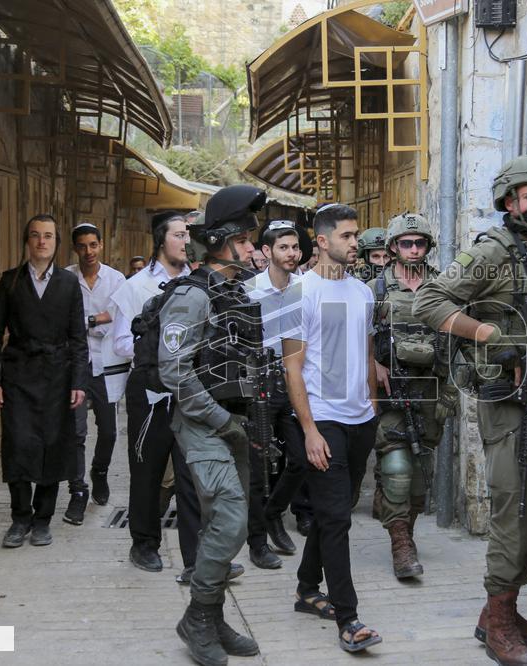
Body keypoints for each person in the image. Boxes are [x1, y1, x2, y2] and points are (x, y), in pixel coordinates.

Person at [414, 152, 527, 666]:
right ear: (508, 200)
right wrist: (488, 334)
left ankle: (505, 605)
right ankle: (498, 621)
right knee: (513, 510)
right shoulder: (491, 253)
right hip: (510, 402)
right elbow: (430, 299)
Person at [159, 185, 264, 666]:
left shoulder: (233, 292)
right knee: (228, 521)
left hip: (232, 423)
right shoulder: (192, 295)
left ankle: (212, 614)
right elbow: (174, 371)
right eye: (245, 239)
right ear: (221, 240)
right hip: (204, 424)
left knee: (228, 525)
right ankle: (198, 620)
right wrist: (223, 420)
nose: (252, 248)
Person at [280, 203, 383, 653]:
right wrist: (310, 430)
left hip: (361, 418)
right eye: (346, 235)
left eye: (356, 234)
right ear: (321, 241)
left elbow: (365, 350)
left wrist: (373, 407)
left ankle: (306, 588)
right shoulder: (298, 293)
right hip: (323, 419)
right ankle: (349, 617)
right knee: (338, 518)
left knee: (333, 510)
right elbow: (292, 367)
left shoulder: (363, 292)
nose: (354, 242)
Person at [0, 214, 88, 548]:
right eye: (35, 236)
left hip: (57, 376)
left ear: (57, 243)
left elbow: (79, 338)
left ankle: (42, 520)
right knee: (18, 445)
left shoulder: (69, 284)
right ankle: (20, 518)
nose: (42, 242)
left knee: (52, 446)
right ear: (26, 241)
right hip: (17, 376)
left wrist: (78, 382)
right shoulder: (10, 281)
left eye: (49, 236)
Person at [109, 211, 204, 576]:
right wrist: (159, 347)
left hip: (189, 388)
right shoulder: (136, 288)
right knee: (147, 471)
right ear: (160, 240)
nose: (186, 241)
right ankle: (144, 544)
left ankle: (196, 559)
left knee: (190, 473)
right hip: (149, 391)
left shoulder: (197, 284)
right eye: (179, 235)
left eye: (188, 235)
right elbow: (119, 342)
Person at [369, 213, 456, 579]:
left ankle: (407, 526)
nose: (414, 249)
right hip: (393, 391)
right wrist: (373, 364)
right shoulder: (376, 288)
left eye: (420, 243)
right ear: (393, 247)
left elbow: (457, 341)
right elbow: (358, 335)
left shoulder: (443, 286)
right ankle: (400, 544)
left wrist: (450, 393)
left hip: (430, 391)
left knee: (420, 475)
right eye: (406, 243)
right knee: (397, 469)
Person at [243, 220, 307, 569]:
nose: (292, 253)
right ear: (267, 252)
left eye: (295, 247)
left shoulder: (306, 288)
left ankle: (273, 513)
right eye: (283, 247)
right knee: (257, 471)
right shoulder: (249, 290)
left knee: (299, 459)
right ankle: (257, 543)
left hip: (294, 384)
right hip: (259, 386)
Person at [62, 223, 126, 524]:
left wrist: (84, 320)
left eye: (93, 245)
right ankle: (78, 491)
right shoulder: (65, 278)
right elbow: (62, 320)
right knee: (76, 432)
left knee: (109, 430)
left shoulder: (116, 279)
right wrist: (94, 320)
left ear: (101, 245)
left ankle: (99, 472)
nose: (88, 251)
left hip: (106, 363)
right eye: (82, 246)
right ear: (75, 248)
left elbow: (116, 316)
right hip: (74, 363)